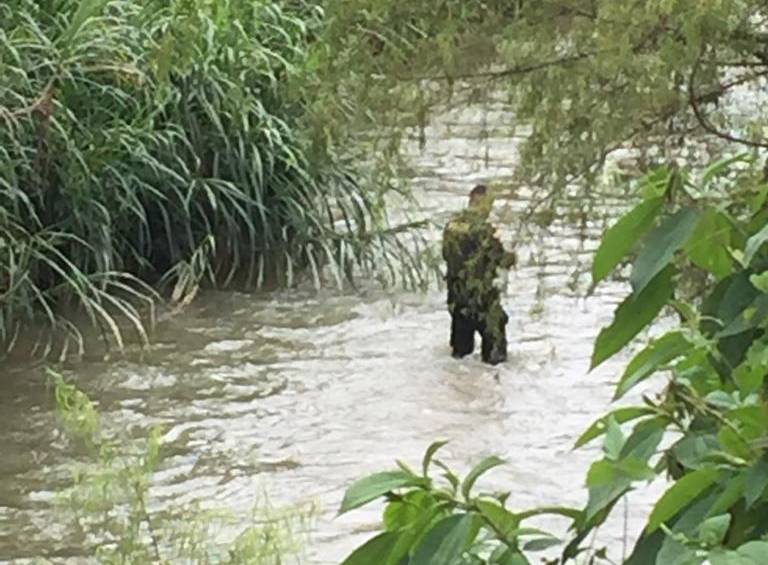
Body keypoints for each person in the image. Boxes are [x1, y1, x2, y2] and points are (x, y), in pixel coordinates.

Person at [442, 185, 516, 365]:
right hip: (484, 303)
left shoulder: (451, 226)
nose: (490, 209)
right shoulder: (484, 230)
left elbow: (447, 256)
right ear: (479, 201)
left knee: (460, 358)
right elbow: (499, 259)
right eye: (489, 204)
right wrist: (512, 256)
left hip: (458, 301)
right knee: (496, 362)